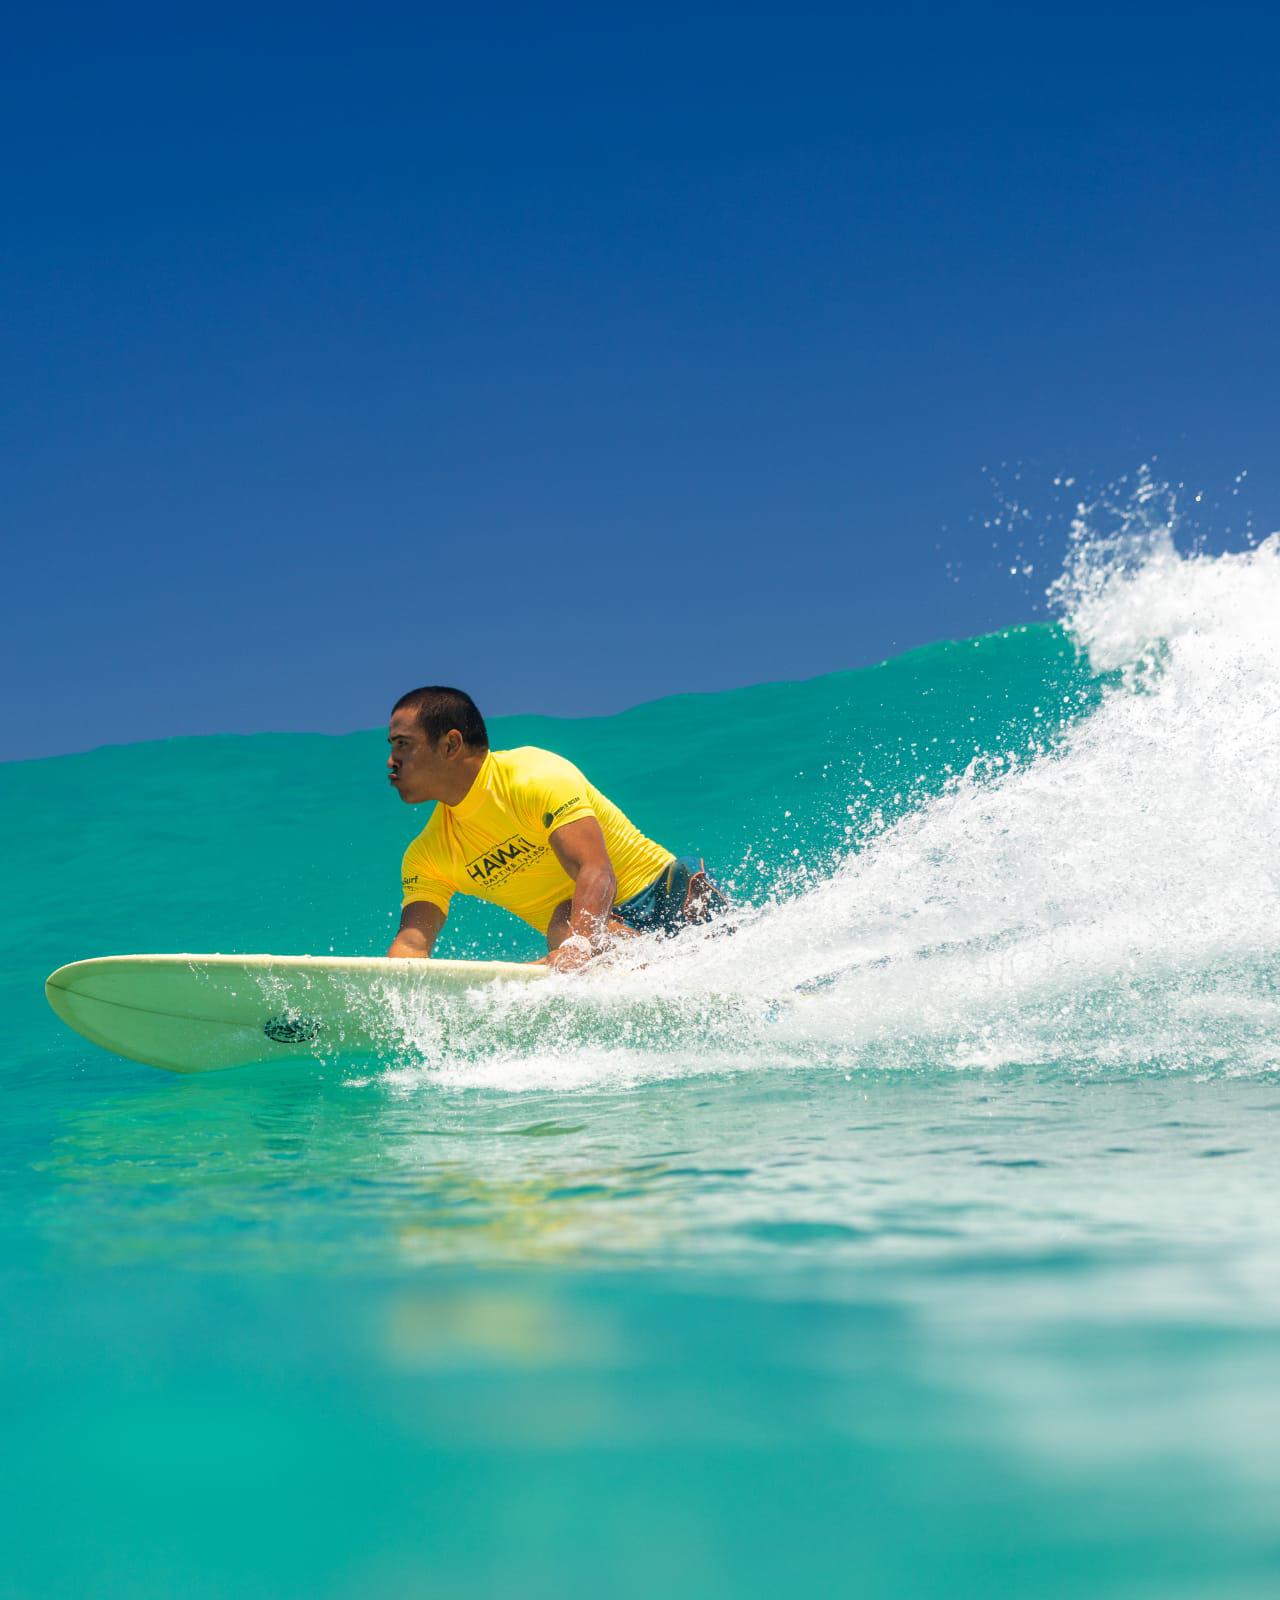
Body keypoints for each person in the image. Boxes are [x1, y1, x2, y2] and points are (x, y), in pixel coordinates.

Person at [386, 685, 725, 971]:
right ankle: (661, 965)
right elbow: (412, 944)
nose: (391, 761)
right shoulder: (427, 855)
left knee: (565, 920)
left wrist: (578, 947)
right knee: (564, 921)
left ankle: (674, 961)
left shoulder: (534, 777)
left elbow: (595, 868)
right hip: (596, 936)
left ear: (450, 745)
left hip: (670, 901)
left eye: (403, 744)